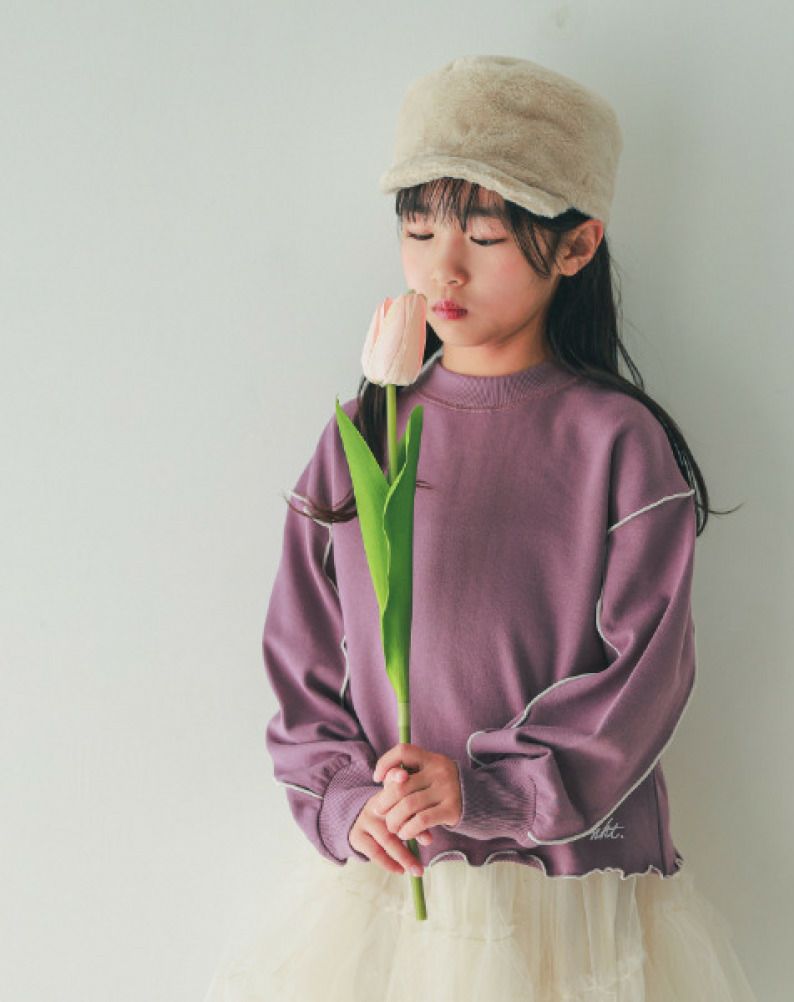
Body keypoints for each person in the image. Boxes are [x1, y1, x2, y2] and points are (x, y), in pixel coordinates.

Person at [204, 54, 758, 1001]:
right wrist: (343, 799)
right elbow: (302, 651)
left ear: (577, 246)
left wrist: (492, 788)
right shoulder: (366, 433)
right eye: (418, 229)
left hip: (568, 891)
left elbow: (647, 673)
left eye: (487, 234)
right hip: (398, 882)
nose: (442, 268)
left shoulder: (616, 442)